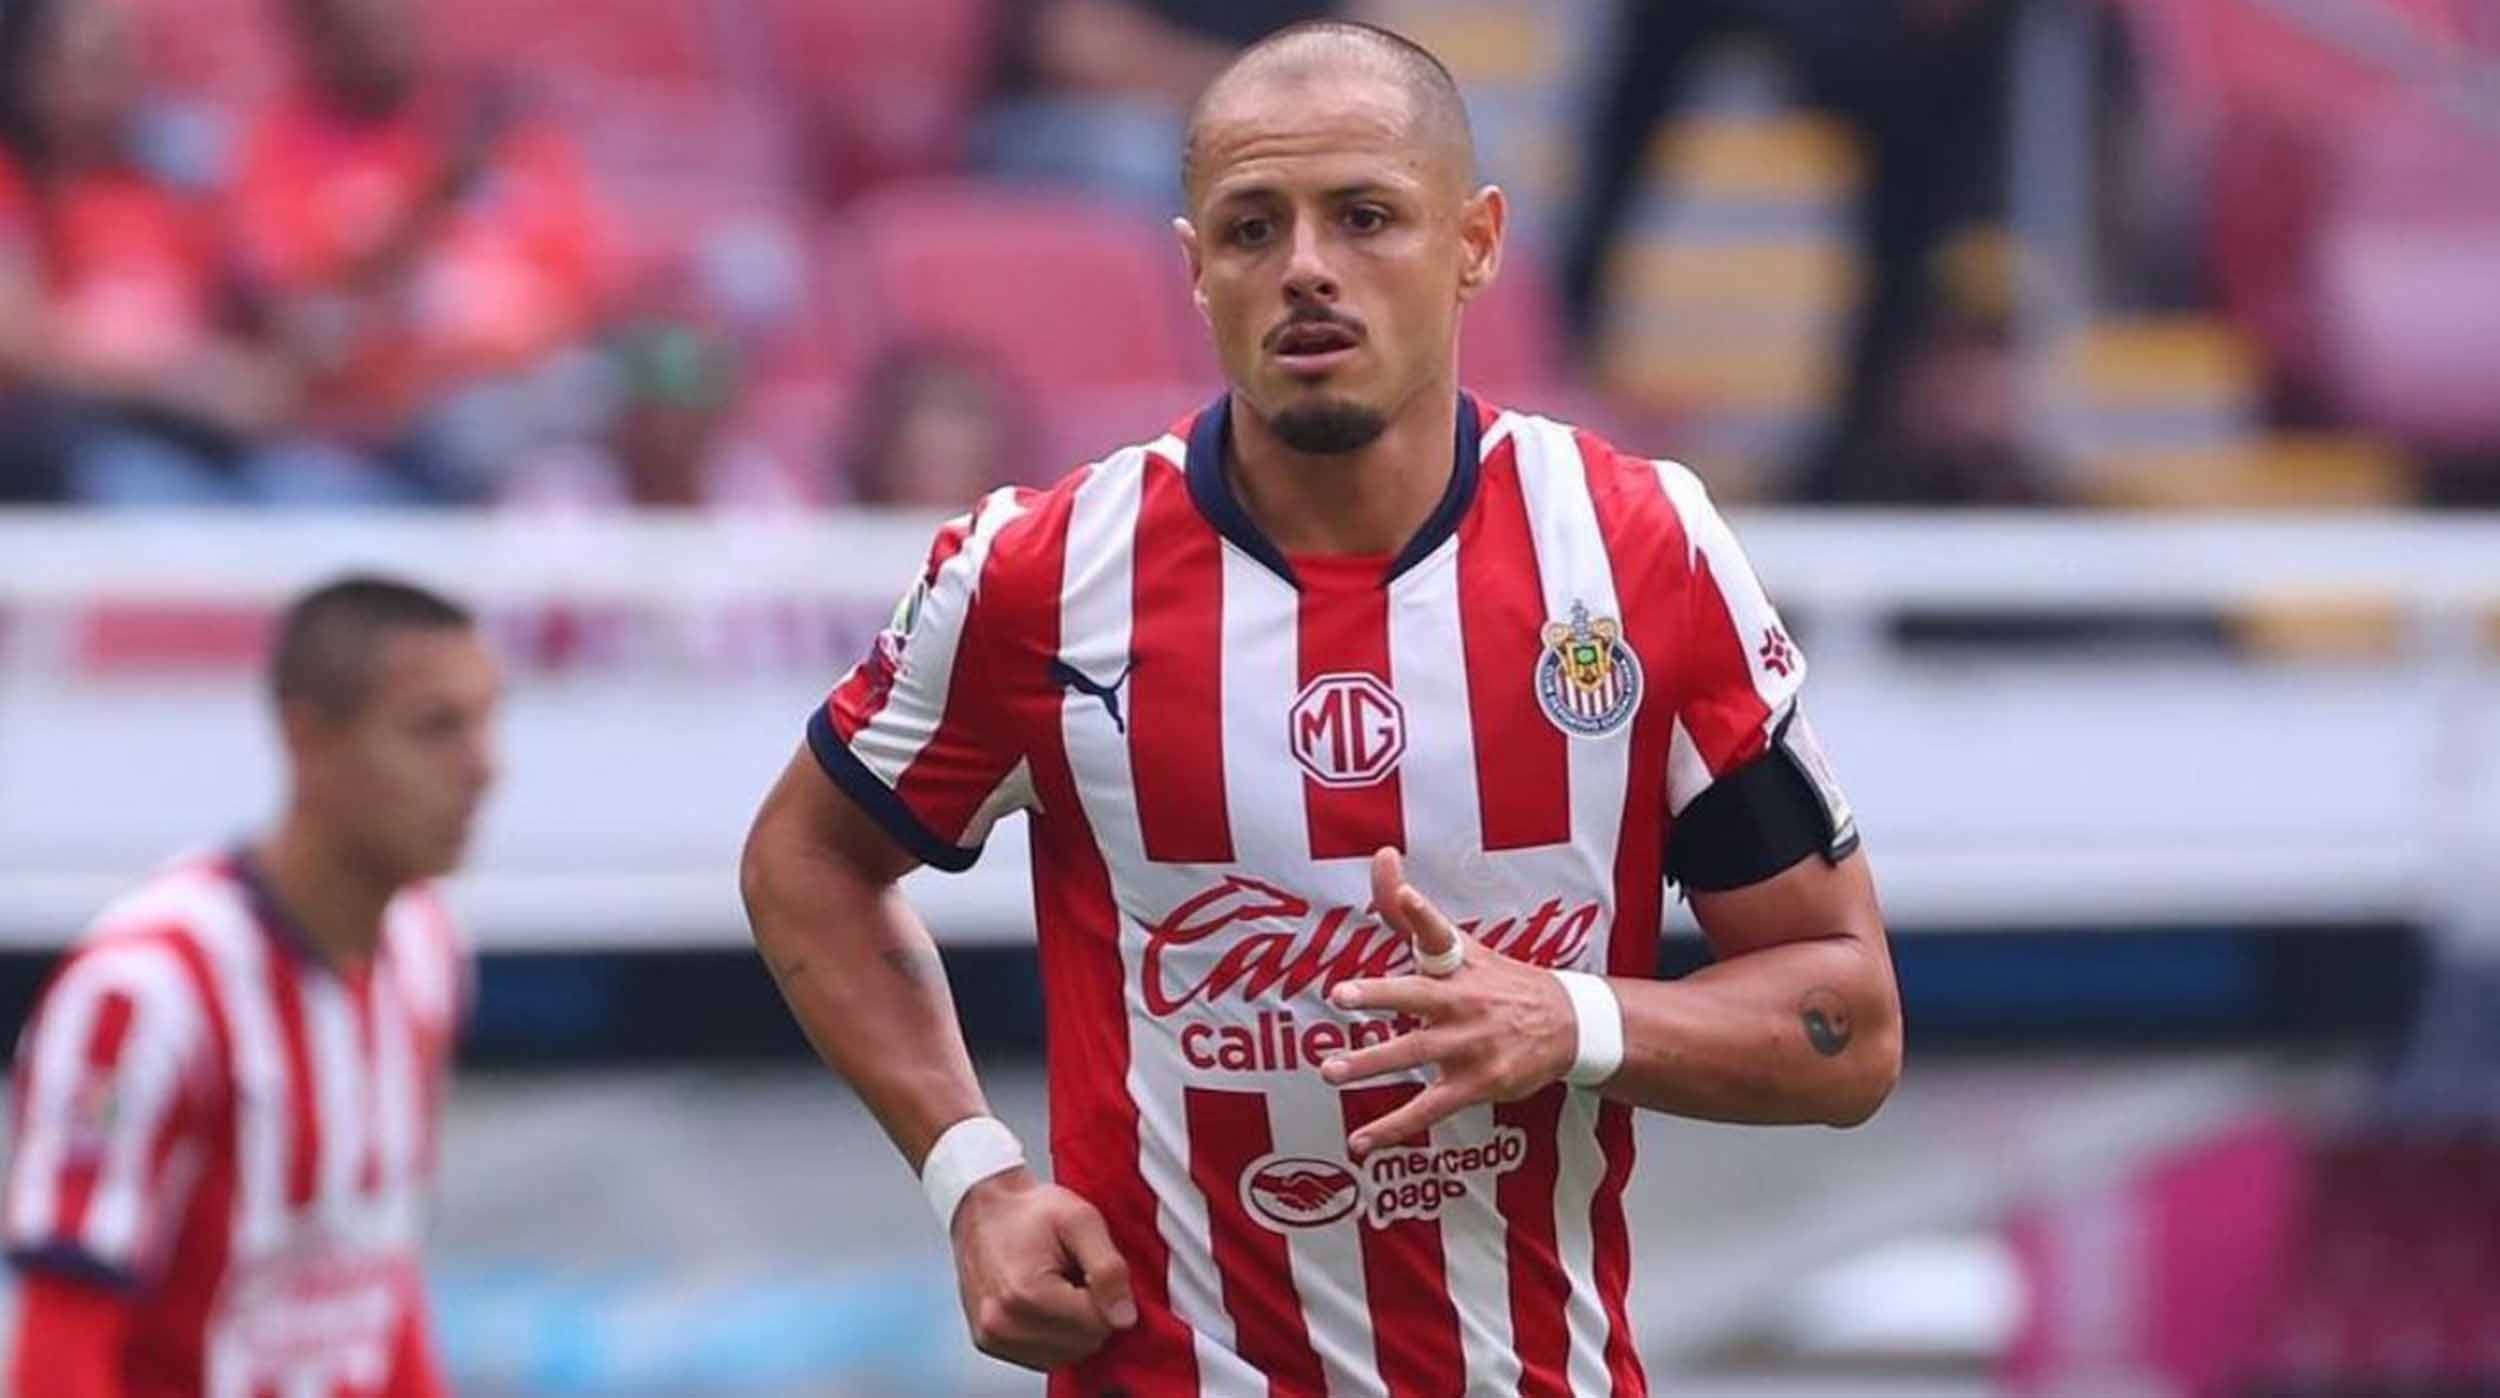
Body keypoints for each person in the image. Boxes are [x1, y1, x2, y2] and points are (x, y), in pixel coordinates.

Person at [742, 21, 1900, 1396]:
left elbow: (1846, 1022)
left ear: (1475, 242)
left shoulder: (1638, 551)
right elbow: (807, 860)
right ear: (1196, 270)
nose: (1305, 266)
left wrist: (1572, 1020)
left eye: (1364, 216)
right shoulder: (1044, 574)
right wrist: (973, 1176)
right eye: (1252, 228)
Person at [4, 577, 494, 1397]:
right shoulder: (143, 994)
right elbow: (59, 1351)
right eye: (436, 728)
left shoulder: (427, 949)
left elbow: (375, 1287)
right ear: (309, 740)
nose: (485, 768)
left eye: (487, 721)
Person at [230, 0, 609, 503]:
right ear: (312, 35)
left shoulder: (500, 132)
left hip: (540, 403)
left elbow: (586, 294)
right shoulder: (279, 153)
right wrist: (432, 207)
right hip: (388, 431)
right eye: (356, 25)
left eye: (393, 17)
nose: (381, 38)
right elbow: (306, 329)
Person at [0, 0, 297, 505]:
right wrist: (179, 381)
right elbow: (20, 346)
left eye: (124, 58)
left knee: (320, 488)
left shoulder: (173, 188)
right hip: (71, 446)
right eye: (93, 61)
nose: (115, 81)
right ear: (29, 72)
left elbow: (260, 336)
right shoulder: (14, 187)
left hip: (208, 442)